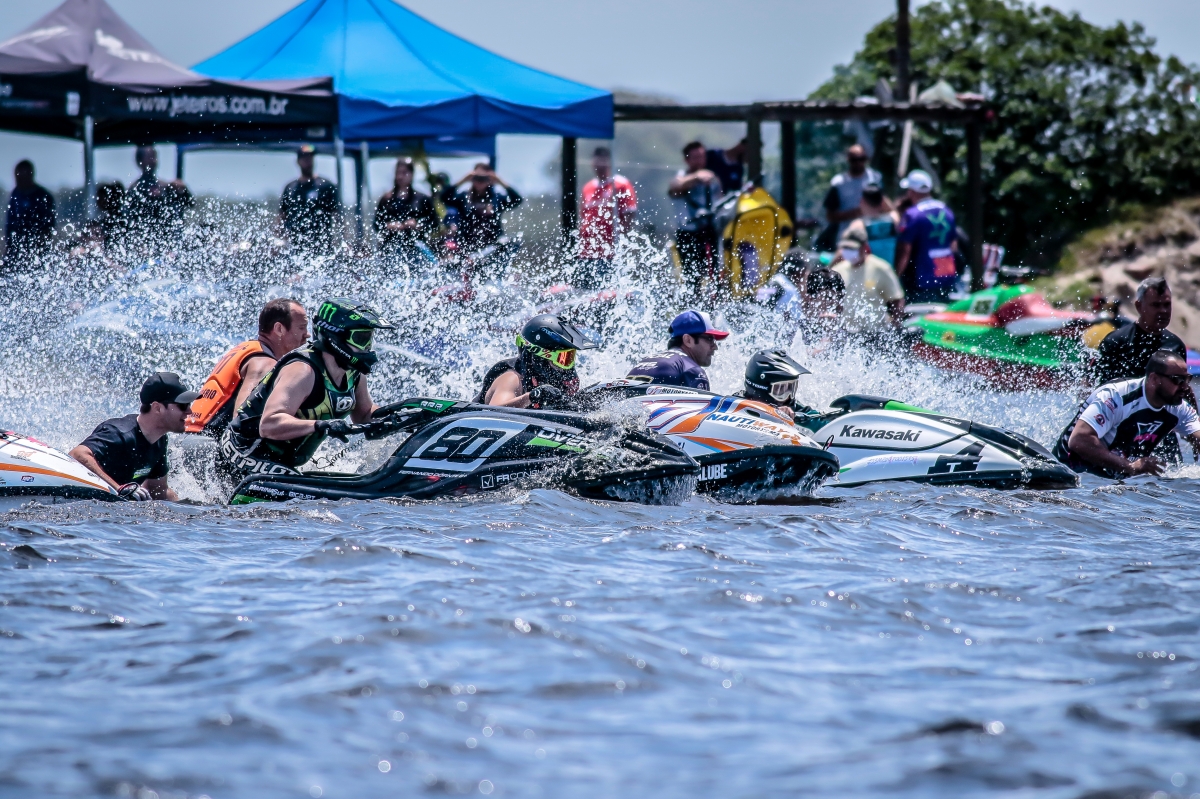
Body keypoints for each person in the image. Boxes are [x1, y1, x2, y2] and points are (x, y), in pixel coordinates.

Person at [221, 299, 392, 476]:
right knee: (306, 488)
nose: (367, 348)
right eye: (361, 339)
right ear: (335, 337)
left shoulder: (354, 374)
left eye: (369, 339)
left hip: (278, 461)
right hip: (243, 450)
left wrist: (396, 416)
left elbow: (364, 415)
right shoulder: (302, 371)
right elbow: (269, 424)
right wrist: (320, 425)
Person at [1053, 350, 1200, 478]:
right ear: (1154, 379)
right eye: (1178, 380)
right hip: (1070, 471)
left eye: (1187, 379)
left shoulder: (1178, 408)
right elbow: (1079, 440)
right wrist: (1130, 466)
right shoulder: (1116, 396)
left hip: (1113, 475)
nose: (1185, 387)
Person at [186, 298, 310, 438]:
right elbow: (242, 419)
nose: (307, 334)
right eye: (302, 327)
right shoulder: (264, 363)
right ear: (279, 329)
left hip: (188, 436)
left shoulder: (245, 348)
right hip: (205, 442)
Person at [69, 372, 199, 501]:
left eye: (189, 405)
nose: (189, 411)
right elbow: (77, 454)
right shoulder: (119, 433)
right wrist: (119, 489)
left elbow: (158, 490)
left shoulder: (160, 440)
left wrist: (190, 509)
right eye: (183, 405)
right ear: (157, 408)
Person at [477, 315, 597, 409]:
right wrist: (532, 396)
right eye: (562, 359)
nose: (567, 367)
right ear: (540, 357)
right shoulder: (511, 379)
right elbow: (494, 410)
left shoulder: (553, 381)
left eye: (570, 358)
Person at [1094, 277, 1186, 386]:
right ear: (1139, 306)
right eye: (1156, 305)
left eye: (1167, 304)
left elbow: (1180, 389)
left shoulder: (1175, 345)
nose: (1163, 311)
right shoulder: (1116, 342)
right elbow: (1096, 389)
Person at [893, 169, 959, 304]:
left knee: (919, 313)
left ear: (911, 191)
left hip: (922, 277)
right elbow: (954, 246)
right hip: (946, 274)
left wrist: (896, 275)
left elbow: (905, 250)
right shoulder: (947, 210)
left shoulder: (912, 214)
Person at [576, 147, 637, 289]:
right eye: (596, 162)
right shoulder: (588, 187)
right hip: (587, 251)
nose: (599, 166)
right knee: (586, 290)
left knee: (607, 290)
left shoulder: (620, 184)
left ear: (610, 162)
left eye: (603, 161)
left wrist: (623, 236)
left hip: (610, 251)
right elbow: (583, 214)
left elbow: (630, 212)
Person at [669, 142, 724, 294]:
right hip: (688, 233)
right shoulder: (682, 177)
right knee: (692, 277)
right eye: (696, 157)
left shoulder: (712, 179)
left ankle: (714, 301)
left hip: (709, 232)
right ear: (687, 160)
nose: (700, 160)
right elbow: (674, 187)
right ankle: (693, 302)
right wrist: (696, 178)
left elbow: (720, 199)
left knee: (714, 275)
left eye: (702, 156)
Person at [626, 310, 729, 391]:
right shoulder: (691, 370)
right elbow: (705, 410)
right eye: (710, 339)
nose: (715, 347)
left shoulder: (645, 361)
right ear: (688, 340)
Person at [831, 226, 905, 332]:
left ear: (864, 247)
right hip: (846, 333)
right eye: (845, 248)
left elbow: (897, 299)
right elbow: (832, 302)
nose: (848, 251)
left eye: (852, 248)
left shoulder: (881, 268)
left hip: (875, 332)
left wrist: (895, 326)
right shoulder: (837, 271)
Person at [441, 163, 522, 254]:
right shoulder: (464, 197)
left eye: (483, 179)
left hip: (492, 246)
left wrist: (500, 181)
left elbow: (517, 200)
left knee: (511, 243)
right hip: (467, 245)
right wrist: (463, 180)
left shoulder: (496, 198)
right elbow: (444, 198)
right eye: (477, 178)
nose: (480, 182)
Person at [279, 144, 341, 254]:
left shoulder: (325, 186)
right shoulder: (290, 188)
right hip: (296, 246)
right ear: (298, 161)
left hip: (322, 245)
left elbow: (337, 215)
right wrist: (279, 240)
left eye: (310, 158)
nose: (308, 161)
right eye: (304, 158)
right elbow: (282, 216)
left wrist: (342, 240)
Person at [373, 157, 439, 262]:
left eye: (404, 173)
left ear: (411, 174)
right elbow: (376, 224)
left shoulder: (422, 199)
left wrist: (418, 225)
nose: (400, 176)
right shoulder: (386, 199)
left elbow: (435, 223)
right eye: (398, 172)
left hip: (416, 246)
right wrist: (389, 225)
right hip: (391, 247)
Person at [125, 145, 193, 242]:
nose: (154, 160)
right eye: (149, 157)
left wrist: (183, 190)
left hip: (167, 237)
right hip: (144, 238)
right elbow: (129, 218)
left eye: (154, 156)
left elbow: (190, 203)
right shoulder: (134, 189)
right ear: (140, 161)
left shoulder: (166, 186)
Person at [3, 160, 56, 268]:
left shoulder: (43, 196)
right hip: (15, 249)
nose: (19, 180)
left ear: (30, 175)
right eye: (17, 176)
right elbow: (10, 224)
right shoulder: (15, 194)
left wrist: (40, 245)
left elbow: (49, 226)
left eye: (22, 176)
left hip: (38, 248)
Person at [823, 145, 882, 240]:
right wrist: (857, 213)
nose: (858, 163)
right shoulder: (839, 183)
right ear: (848, 160)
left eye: (861, 159)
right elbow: (830, 216)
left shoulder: (875, 178)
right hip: (848, 236)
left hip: (872, 234)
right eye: (854, 160)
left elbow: (883, 204)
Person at [845, 182, 900, 266]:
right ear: (882, 200)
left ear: (862, 201)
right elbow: (891, 209)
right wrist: (880, 196)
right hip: (890, 271)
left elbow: (845, 252)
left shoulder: (858, 225)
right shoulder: (894, 219)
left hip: (870, 273)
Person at [798, 267, 847, 349]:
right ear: (810, 298)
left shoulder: (842, 333)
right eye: (829, 297)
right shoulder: (796, 331)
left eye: (840, 298)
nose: (837, 303)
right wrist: (828, 334)